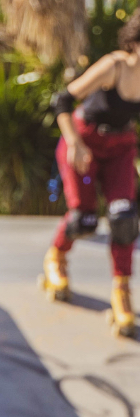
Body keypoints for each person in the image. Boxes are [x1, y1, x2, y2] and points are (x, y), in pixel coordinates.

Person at [42, 17, 140, 337]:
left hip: (121, 148)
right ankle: (56, 258)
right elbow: (63, 100)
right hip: (84, 142)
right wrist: (74, 142)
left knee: (123, 218)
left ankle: (122, 292)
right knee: (83, 218)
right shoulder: (115, 66)